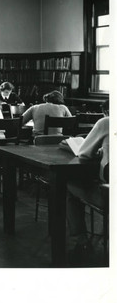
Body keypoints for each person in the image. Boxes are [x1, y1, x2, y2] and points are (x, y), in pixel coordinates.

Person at [66, 100, 109, 264]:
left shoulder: (106, 122)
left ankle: (82, 241)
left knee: (69, 185)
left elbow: (83, 154)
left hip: (110, 195)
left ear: (106, 110)